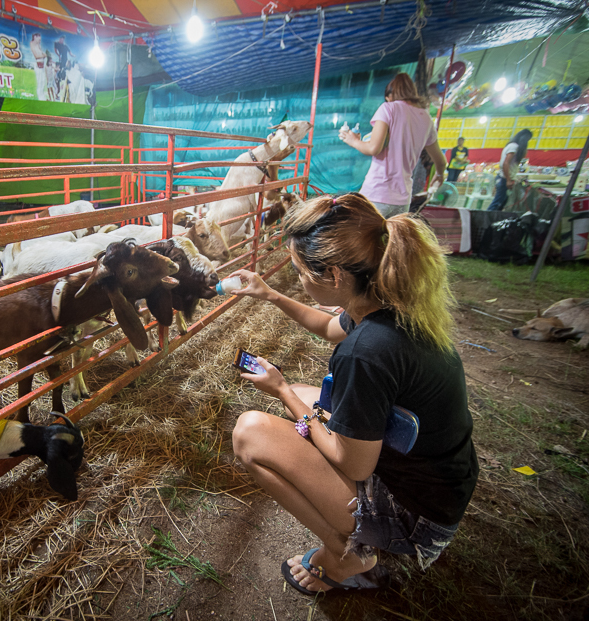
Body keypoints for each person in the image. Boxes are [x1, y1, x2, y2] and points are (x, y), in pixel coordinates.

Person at [229, 193, 478, 596]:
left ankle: (347, 556)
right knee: (314, 396)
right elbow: (330, 327)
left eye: (300, 271)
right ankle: (351, 542)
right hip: (440, 480)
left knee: (250, 432)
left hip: (417, 514)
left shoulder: (366, 352)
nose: (298, 280)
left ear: (335, 275)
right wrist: (270, 295)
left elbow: (355, 465)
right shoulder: (387, 301)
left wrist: (282, 392)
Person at [339, 73, 447, 218]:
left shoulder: (388, 108)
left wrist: (352, 141)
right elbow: (441, 161)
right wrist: (439, 174)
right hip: (402, 200)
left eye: (387, 97)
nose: (387, 100)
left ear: (391, 94)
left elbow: (373, 148)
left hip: (377, 194)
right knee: (391, 239)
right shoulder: (426, 118)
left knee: (365, 239)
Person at [487, 129, 532, 211]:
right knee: (497, 203)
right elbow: (505, 163)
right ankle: (485, 219)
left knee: (502, 203)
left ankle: (492, 219)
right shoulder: (514, 146)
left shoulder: (514, 146)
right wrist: (508, 180)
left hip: (505, 178)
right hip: (504, 179)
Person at [29, 33, 48, 101]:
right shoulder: (32, 44)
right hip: (38, 65)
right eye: (39, 39)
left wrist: (44, 54)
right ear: (35, 37)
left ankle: (43, 97)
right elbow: (36, 56)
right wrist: (43, 56)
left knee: (43, 81)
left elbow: (42, 53)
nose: (40, 40)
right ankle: (40, 98)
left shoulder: (39, 45)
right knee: (39, 82)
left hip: (42, 65)